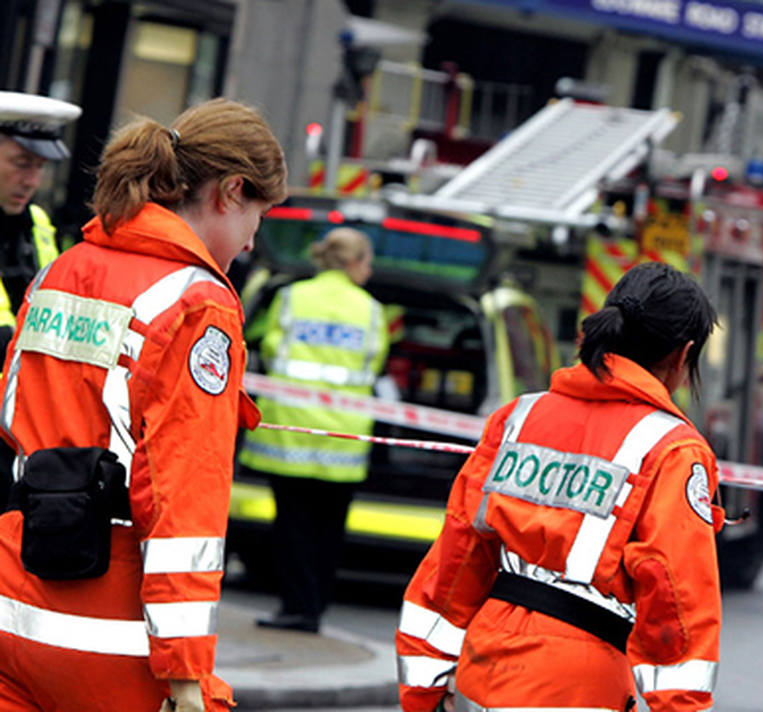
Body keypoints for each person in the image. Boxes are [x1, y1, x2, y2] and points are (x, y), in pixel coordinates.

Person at [0, 98, 286, 712]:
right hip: (111, 632)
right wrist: (187, 674)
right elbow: (186, 495)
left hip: (14, 600)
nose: (251, 240)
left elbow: (12, 416)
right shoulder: (198, 304)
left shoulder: (61, 271)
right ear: (230, 192)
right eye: (259, 216)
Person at [396, 261, 723, 712]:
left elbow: (455, 559)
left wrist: (423, 693)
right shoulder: (673, 449)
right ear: (683, 355)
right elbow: (676, 599)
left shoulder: (518, 418)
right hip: (577, 685)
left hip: (484, 666)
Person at [238, 226, 388, 633]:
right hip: (343, 437)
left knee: (292, 526)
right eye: (368, 263)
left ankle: (296, 606)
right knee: (330, 530)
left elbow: (270, 349)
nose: (370, 271)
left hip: (290, 430)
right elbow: (374, 364)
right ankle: (315, 607)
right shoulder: (372, 310)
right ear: (353, 262)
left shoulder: (291, 297)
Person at [0, 91, 81, 505]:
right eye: (21, 163)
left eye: (40, 167)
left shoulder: (37, 223)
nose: (32, 180)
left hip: (18, 425)